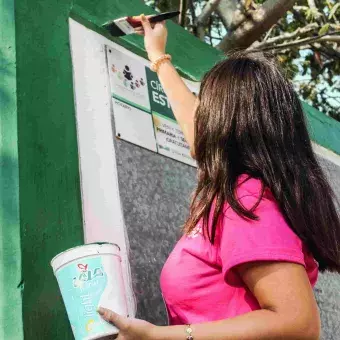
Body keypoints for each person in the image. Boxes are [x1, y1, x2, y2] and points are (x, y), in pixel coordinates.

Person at [97, 15, 340, 340]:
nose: (201, 118)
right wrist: (158, 57)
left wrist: (159, 337)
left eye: (208, 109)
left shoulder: (248, 199)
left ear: (228, 127)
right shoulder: (248, 189)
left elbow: (299, 323)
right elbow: (199, 136)